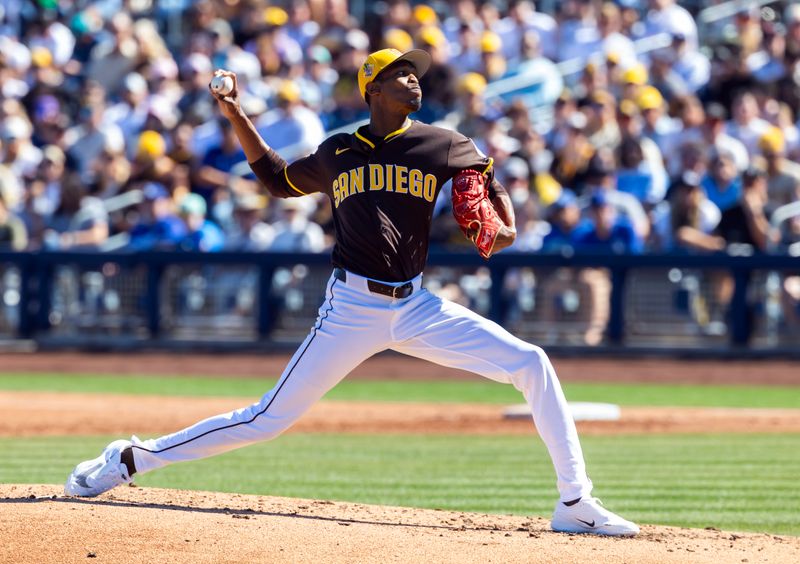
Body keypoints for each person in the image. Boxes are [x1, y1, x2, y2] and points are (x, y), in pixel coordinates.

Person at [64, 47, 639, 537]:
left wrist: (506, 223)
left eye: (416, 74)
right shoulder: (339, 151)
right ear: (373, 89)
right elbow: (277, 180)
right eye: (400, 74)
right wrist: (235, 112)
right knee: (267, 418)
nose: (414, 80)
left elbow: (490, 188)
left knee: (532, 362)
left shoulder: (443, 144)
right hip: (350, 308)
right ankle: (129, 458)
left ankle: (574, 504)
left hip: (416, 306)